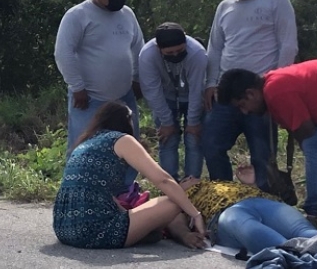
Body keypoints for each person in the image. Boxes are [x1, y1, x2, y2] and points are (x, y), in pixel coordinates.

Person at [217, 59, 317, 228]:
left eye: (242, 105)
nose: (245, 112)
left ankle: (315, 216)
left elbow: (307, 133)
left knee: (315, 147)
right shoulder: (275, 84)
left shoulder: (275, 91)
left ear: (251, 94)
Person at [201, 0, 298, 190]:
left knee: (262, 154)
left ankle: (267, 201)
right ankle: (225, 197)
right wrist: (211, 83)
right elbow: (215, 46)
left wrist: (275, 85)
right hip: (227, 93)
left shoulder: (276, 0)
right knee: (211, 144)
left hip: (261, 93)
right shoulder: (224, 7)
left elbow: (288, 44)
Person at [53, 101, 205, 249]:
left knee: (145, 213)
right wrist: (195, 214)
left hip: (63, 228)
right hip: (92, 231)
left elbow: (103, 194)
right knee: (173, 202)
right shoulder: (122, 140)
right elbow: (163, 180)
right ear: (127, 120)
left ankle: (143, 232)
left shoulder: (85, 143)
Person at [54, 0, 144, 185]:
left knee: (131, 147)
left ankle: (124, 194)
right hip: (90, 99)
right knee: (84, 149)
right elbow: (63, 52)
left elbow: (137, 46)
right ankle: (78, 191)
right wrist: (77, 87)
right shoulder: (78, 15)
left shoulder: (127, 14)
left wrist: (136, 78)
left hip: (124, 97)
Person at [165, 165, 317, 254]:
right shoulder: (180, 199)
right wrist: (185, 235)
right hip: (226, 213)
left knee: (307, 233)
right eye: (185, 180)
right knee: (242, 224)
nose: (191, 177)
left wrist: (251, 183)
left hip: (262, 201)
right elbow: (173, 220)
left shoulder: (217, 183)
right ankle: (295, 252)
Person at [138, 22, 207, 181]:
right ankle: (169, 186)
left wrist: (194, 121)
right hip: (165, 96)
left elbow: (197, 90)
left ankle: (192, 184)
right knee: (168, 140)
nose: (176, 55)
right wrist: (167, 122)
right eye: (170, 52)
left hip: (191, 96)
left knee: (194, 140)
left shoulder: (197, 53)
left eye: (180, 51)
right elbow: (152, 91)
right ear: (159, 49)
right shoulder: (147, 55)